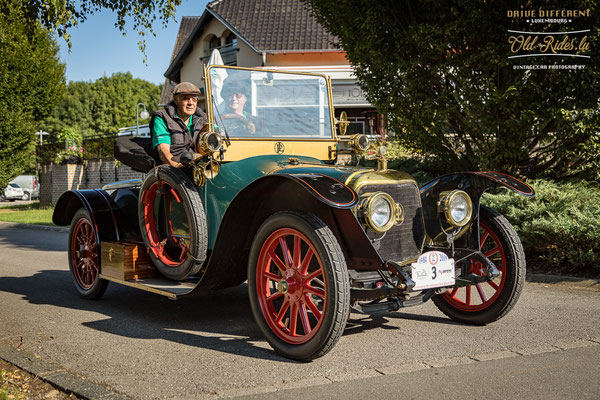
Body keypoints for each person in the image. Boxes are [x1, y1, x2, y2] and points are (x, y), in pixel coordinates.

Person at [151, 82, 207, 167]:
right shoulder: (162, 118)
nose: (191, 103)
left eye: (194, 99)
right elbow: (163, 151)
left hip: (200, 166)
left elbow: (219, 136)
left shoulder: (203, 119)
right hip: (175, 169)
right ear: (176, 99)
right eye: (185, 98)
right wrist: (178, 166)